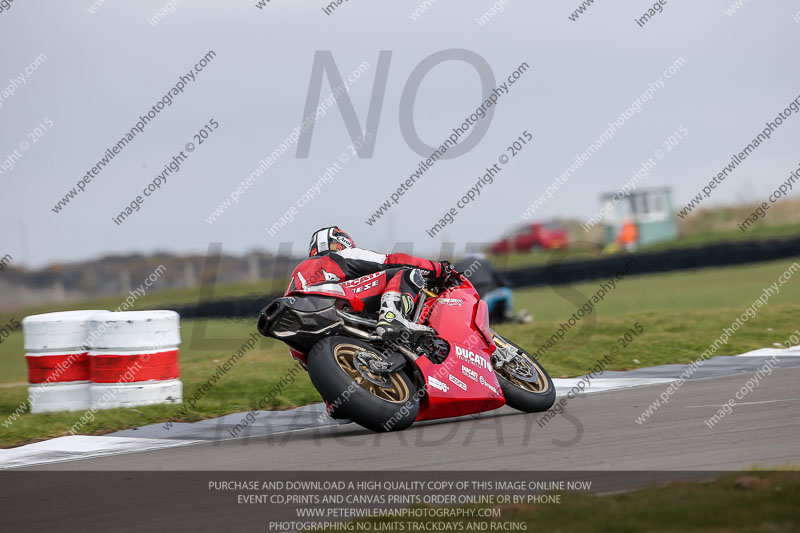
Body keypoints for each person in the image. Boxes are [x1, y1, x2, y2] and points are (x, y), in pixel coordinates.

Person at [286, 226, 450, 345]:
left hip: (300, 321)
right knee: (408, 273)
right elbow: (389, 261)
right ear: (341, 243)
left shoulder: (299, 273)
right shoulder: (339, 255)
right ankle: (392, 318)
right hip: (331, 298)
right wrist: (438, 268)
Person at [455, 253, 531, 324]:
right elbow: (502, 281)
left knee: (482, 319)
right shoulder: (486, 263)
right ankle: (510, 315)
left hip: (481, 299)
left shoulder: (457, 267)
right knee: (506, 296)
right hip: (501, 293)